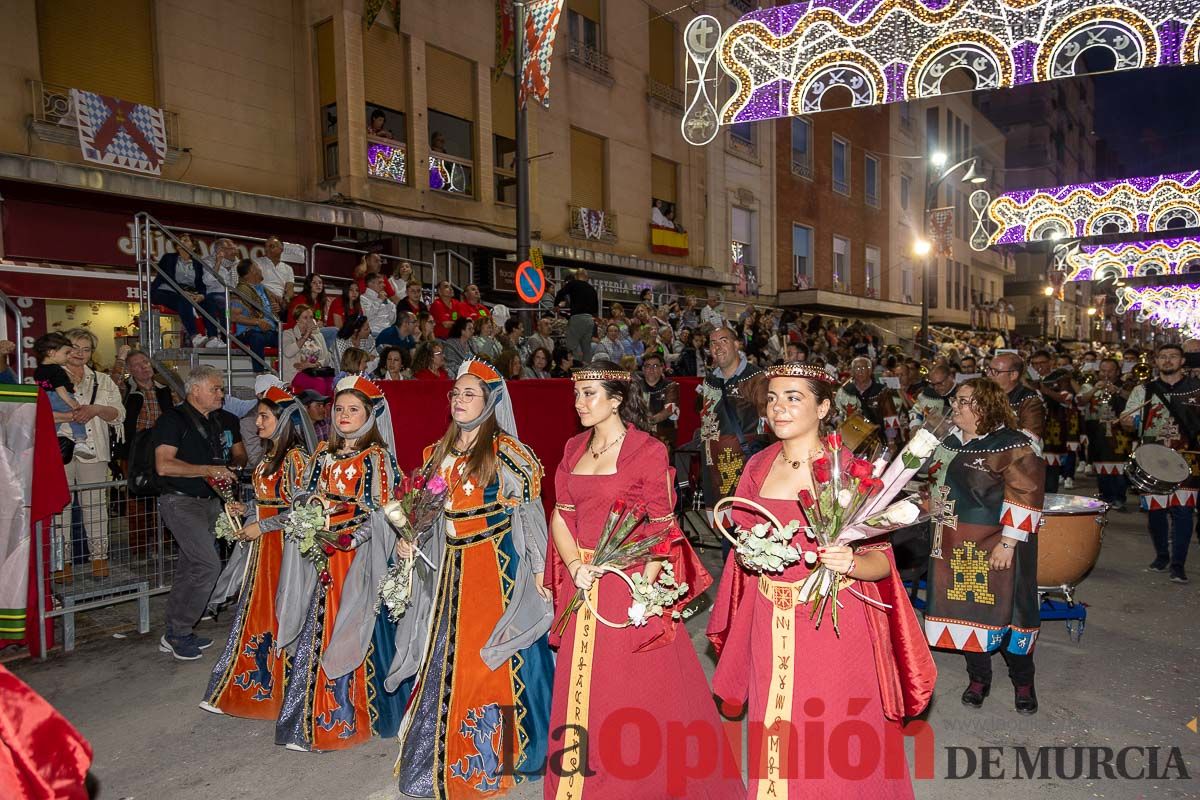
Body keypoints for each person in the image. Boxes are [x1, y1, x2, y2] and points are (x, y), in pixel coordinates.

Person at [706, 362, 935, 797]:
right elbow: (744, 540)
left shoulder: (846, 470)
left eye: (794, 397)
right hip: (768, 618)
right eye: (772, 398)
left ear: (824, 406)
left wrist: (848, 561)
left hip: (831, 623)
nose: (779, 408)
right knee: (771, 724)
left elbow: (882, 561)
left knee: (830, 734)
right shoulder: (757, 465)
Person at [541, 362, 741, 798]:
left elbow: (662, 527)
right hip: (585, 579)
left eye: (590, 394)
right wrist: (575, 567)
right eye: (577, 394)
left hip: (629, 582)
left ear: (616, 399)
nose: (580, 403)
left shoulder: (647, 450)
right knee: (581, 688)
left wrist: (644, 591)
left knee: (630, 692)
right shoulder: (573, 448)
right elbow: (561, 515)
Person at [388, 359, 555, 797]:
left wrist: (539, 571)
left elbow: (532, 516)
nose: (459, 401)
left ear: (490, 401)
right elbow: (422, 509)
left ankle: (513, 749)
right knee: (447, 659)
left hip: (497, 568)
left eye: (469, 394)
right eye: (455, 394)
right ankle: (446, 748)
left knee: (497, 657)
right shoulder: (435, 454)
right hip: (452, 572)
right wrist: (409, 536)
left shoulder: (509, 453)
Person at [274, 376, 409, 752]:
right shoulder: (320, 453)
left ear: (369, 415)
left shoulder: (376, 458)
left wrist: (355, 538)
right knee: (317, 627)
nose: (344, 416)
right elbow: (304, 493)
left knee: (350, 625)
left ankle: (348, 717)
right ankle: (309, 715)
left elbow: (383, 511)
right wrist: (308, 515)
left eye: (353, 410)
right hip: (322, 556)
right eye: (339, 409)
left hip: (356, 559)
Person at [925, 378, 1045, 714]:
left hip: (997, 543)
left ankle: (1023, 682)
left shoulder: (1012, 444)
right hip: (952, 542)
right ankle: (978, 678)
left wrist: (1008, 543)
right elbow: (933, 485)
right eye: (956, 401)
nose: (955, 407)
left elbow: (1027, 492)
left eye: (963, 401)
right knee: (965, 612)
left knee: (1010, 612)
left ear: (985, 406)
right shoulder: (948, 442)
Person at [201, 386, 314, 718]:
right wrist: (246, 508)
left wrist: (261, 526)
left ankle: (283, 687)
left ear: (282, 422)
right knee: (256, 612)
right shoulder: (267, 457)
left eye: (264, 416)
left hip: (283, 550)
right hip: (263, 551)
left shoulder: (297, 460)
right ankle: (252, 684)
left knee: (279, 611)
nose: (256, 422)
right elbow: (268, 503)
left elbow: (301, 512)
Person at [153, 365, 239, 660]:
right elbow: (164, 465)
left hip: (208, 502)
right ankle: (179, 632)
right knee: (207, 566)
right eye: (215, 388)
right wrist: (207, 470)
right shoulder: (172, 420)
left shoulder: (214, 421)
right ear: (195, 390)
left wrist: (225, 490)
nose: (221, 394)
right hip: (180, 502)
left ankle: (177, 630)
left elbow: (213, 465)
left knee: (190, 567)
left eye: (221, 388)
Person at [1124, 343, 1200, 583]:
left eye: (1173, 357)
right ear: (1156, 361)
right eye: (1163, 357)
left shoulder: (1197, 389)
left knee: (1184, 511)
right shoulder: (1143, 390)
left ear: (1182, 361)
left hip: (1187, 457)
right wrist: (1128, 421)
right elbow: (1128, 421)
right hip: (1152, 457)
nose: (1168, 361)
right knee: (1156, 512)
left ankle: (1178, 564)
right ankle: (1162, 555)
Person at [54, 329, 124, 582]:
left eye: (85, 349)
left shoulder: (103, 380)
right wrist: (70, 416)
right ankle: (61, 563)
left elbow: (119, 413)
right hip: (58, 452)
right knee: (59, 509)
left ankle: (99, 559)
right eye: (74, 347)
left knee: (96, 508)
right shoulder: (51, 377)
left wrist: (95, 409)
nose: (79, 354)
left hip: (95, 452)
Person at [691, 326, 767, 549]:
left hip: (744, 466)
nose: (717, 346)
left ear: (737, 345)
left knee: (748, 532)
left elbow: (767, 423)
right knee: (727, 535)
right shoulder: (709, 381)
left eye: (723, 340)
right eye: (712, 343)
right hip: (713, 468)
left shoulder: (756, 378)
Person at [111, 348, 175, 560]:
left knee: (165, 497)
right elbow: (113, 384)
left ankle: (163, 543)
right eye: (137, 365)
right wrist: (120, 359)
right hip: (134, 451)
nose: (144, 367)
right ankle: (139, 549)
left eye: (146, 363)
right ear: (129, 370)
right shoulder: (126, 391)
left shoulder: (165, 389)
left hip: (162, 450)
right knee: (136, 500)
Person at [1081, 357, 1132, 509]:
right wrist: (1095, 389)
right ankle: (1105, 496)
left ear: (1117, 372)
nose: (1106, 374)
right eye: (1103, 370)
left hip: (1120, 433)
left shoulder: (1126, 385)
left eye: (1110, 371)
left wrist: (1118, 391)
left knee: (1120, 466)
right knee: (1101, 465)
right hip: (1098, 432)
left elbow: (1134, 399)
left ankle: (1119, 498)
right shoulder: (1093, 385)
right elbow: (1081, 401)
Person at [33, 332, 93, 457]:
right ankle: (81, 440)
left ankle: (48, 441)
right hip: (59, 397)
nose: (68, 356)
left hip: (45, 399)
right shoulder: (57, 369)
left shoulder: (38, 369)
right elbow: (60, 388)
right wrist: (72, 403)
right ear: (51, 353)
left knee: (52, 423)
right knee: (77, 416)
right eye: (66, 353)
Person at [834, 355, 900, 453]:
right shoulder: (844, 391)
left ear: (870, 371)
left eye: (863, 368)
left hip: (876, 441)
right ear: (852, 372)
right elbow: (837, 414)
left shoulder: (882, 391)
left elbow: (890, 418)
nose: (860, 371)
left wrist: (891, 442)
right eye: (857, 368)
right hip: (849, 441)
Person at [151, 232, 205, 346]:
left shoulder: (198, 264)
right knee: (184, 300)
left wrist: (201, 295)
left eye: (186, 240)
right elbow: (167, 278)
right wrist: (183, 292)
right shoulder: (168, 258)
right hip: (165, 291)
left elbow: (201, 283)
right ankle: (194, 336)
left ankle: (214, 338)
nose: (181, 241)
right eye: (179, 239)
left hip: (188, 293)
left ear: (194, 246)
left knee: (210, 302)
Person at [228, 259, 279, 374]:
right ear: (252, 270)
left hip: (269, 331)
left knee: (287, 339)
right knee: (257, 338)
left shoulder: (263, 289)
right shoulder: (241, 291)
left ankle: (285, 374)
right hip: (248, 332)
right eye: (258, 267)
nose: (261, 270)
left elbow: (275, 312)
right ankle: (259, 375)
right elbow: (233, 317)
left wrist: (276, 309)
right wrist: (257, 322)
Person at [988, 353, 1046, 449]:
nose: (989, 375)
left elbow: (1031, 438)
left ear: (1013, 375)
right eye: (988, 370)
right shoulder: (986, 394)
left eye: (995, 371)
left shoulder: (1030, 399)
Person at [198, 237, 240, 347]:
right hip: (216, 294)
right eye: (231, 248)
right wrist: (218, 262)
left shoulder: (238, 264)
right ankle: (224, 338)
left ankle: (240, 336)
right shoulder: (208, 261)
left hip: (235, 295)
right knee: (224, 304)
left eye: (234, 248)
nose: (235, 251)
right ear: (220, 250)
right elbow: (207, 281)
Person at [553, 268, 599, 362]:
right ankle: (586, 370)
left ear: (576, 276)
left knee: (572, 346)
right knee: (587, 348)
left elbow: (560, 293)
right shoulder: (592, 289)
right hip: (589, 320)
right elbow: (595, 308)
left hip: (577, 318)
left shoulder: (573, 284)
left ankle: (575, 368)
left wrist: (556, 305)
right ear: (587, 278)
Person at [281, 304, 333, 389]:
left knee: (332, 382)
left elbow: (327, 358)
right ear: (297, 320)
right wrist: (306, 334)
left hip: (315, 371)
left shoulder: (318, 335)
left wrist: (315, 364)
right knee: (319, 383)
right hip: (296, 374)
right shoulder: (288, 334)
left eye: (311, 317)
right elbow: (288, 353)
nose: (309, 321)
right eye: (305, 318)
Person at [639, 352, 678, 448]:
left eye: (655, 366)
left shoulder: (671, 386)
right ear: (643, 369)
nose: (651, 369)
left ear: (662, 368)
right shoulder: (635, 386)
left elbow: (669, 410)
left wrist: (647, 421)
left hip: (663, 435)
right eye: (648, 366)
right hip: (638, 434)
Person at [254, 236, 295, 314]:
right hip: (261, 297)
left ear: (281, 249)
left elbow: (290, 288)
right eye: (265, 246)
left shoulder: (288, 268)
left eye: (271, 246)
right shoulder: (257, 263)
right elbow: (255, 284)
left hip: (279, 302)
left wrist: (285, 300)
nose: (267, 249)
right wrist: (274, 297)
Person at [361, 272, 399, 339]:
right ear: (370, 284)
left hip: (388, 331)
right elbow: (367, 317)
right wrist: (379, 300)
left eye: (383, 282)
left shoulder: (386, 299)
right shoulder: (363, 298)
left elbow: (392, 320)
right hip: (374, 333)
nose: (384, 285)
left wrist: (387, 304)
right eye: (380, 282)